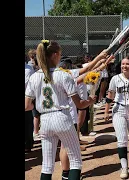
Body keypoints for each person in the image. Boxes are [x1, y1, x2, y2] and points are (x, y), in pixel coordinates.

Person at [25, 40, 97, 180]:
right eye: (60, 54)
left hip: (44, 120)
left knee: (47, 165)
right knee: (75, 161)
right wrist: (90, 101)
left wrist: (37, 106)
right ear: (55, 55)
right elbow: (80, 104)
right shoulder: (63, 75)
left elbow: (27, 105)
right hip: (62, 117)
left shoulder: (34, 76)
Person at [104, 56, 129, 179]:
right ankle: (124, 167)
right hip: (118, 110)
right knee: (122, 139)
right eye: (123, 64)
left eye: (127, 64)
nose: (124, 66)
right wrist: (106, 111)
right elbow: (110, 95)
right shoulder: (115, 79)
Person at [25, 59, 35, 153]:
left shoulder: (28, 69)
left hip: (27, 97)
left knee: (28, 121)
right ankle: (28, 143)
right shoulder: (29, 69)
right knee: (28, 122)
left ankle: (28, 143)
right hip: (27, 97)